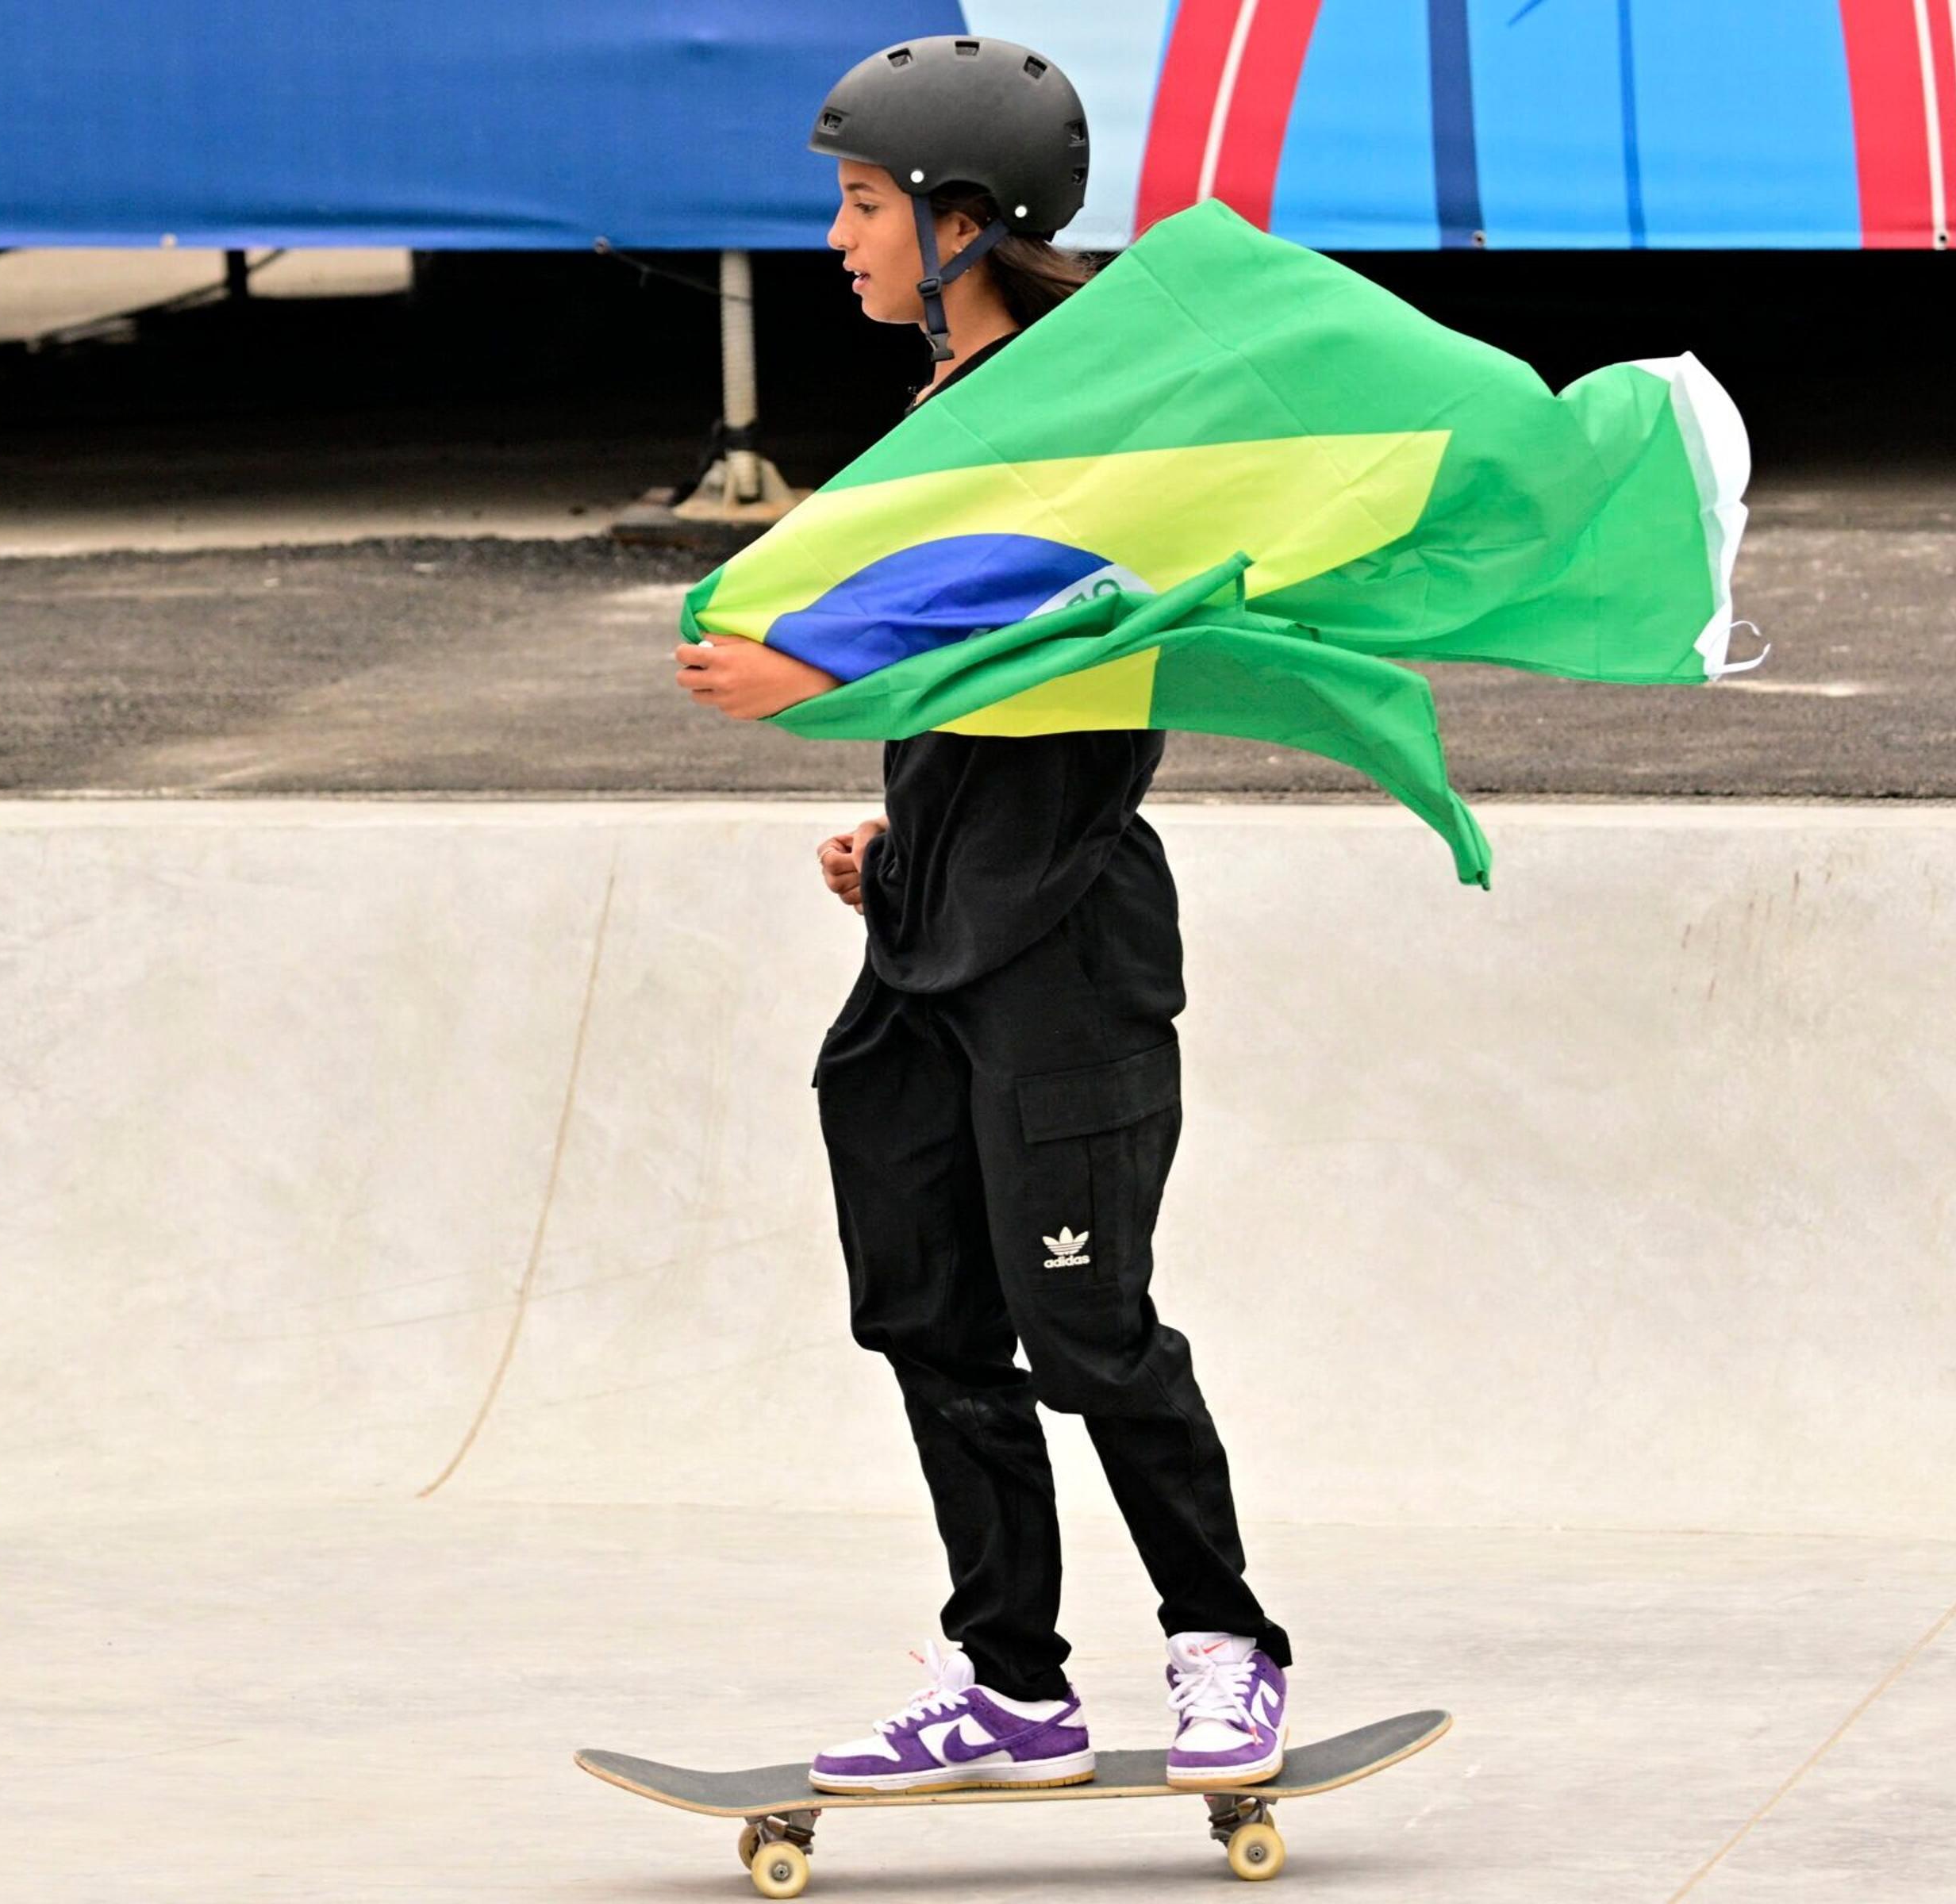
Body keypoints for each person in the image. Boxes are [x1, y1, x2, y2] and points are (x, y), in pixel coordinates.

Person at [671, 35, 1293, 1797]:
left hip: (1066, 950)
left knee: (1086, 1324)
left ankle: (1224, 1645)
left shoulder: (1092, 429)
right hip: (933, 929)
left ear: (962, 225)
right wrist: (906, 830)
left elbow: (1059, 642)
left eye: (863, 207)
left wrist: (819, 655)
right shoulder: (945, 420)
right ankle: (1012, 1684)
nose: (839, 241)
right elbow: (990, 700)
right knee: (929, 1311)